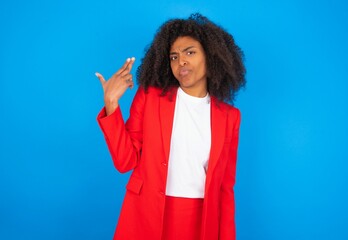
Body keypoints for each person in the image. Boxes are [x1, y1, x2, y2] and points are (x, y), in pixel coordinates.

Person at [95, 13, 246, 240]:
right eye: (174, 56)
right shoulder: (150, 97)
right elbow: (125, 160)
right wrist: (111, 105)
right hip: (148, 212)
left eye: (190, 52)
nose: (180, 61)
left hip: (200, 219)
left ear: (211, 56)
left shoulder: (230, 117)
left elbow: (225, 188)